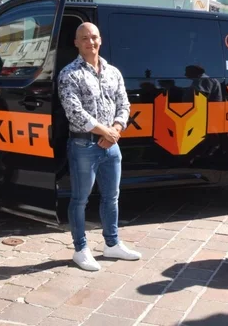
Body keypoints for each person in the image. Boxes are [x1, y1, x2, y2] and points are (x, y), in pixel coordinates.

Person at [57, 22, 142, 271]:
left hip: (111, 145)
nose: (90, 42)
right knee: (80, 199)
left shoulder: (113, 72)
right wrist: (104, 131)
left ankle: (112, 244)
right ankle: (80, 249)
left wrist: (115, 130)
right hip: (84, 144)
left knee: (111, 197)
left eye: (93, 37)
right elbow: (74, 112)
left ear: (100, 40)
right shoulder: (69, 74)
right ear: (76, 43)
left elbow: (124, 104)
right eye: (84, 38)